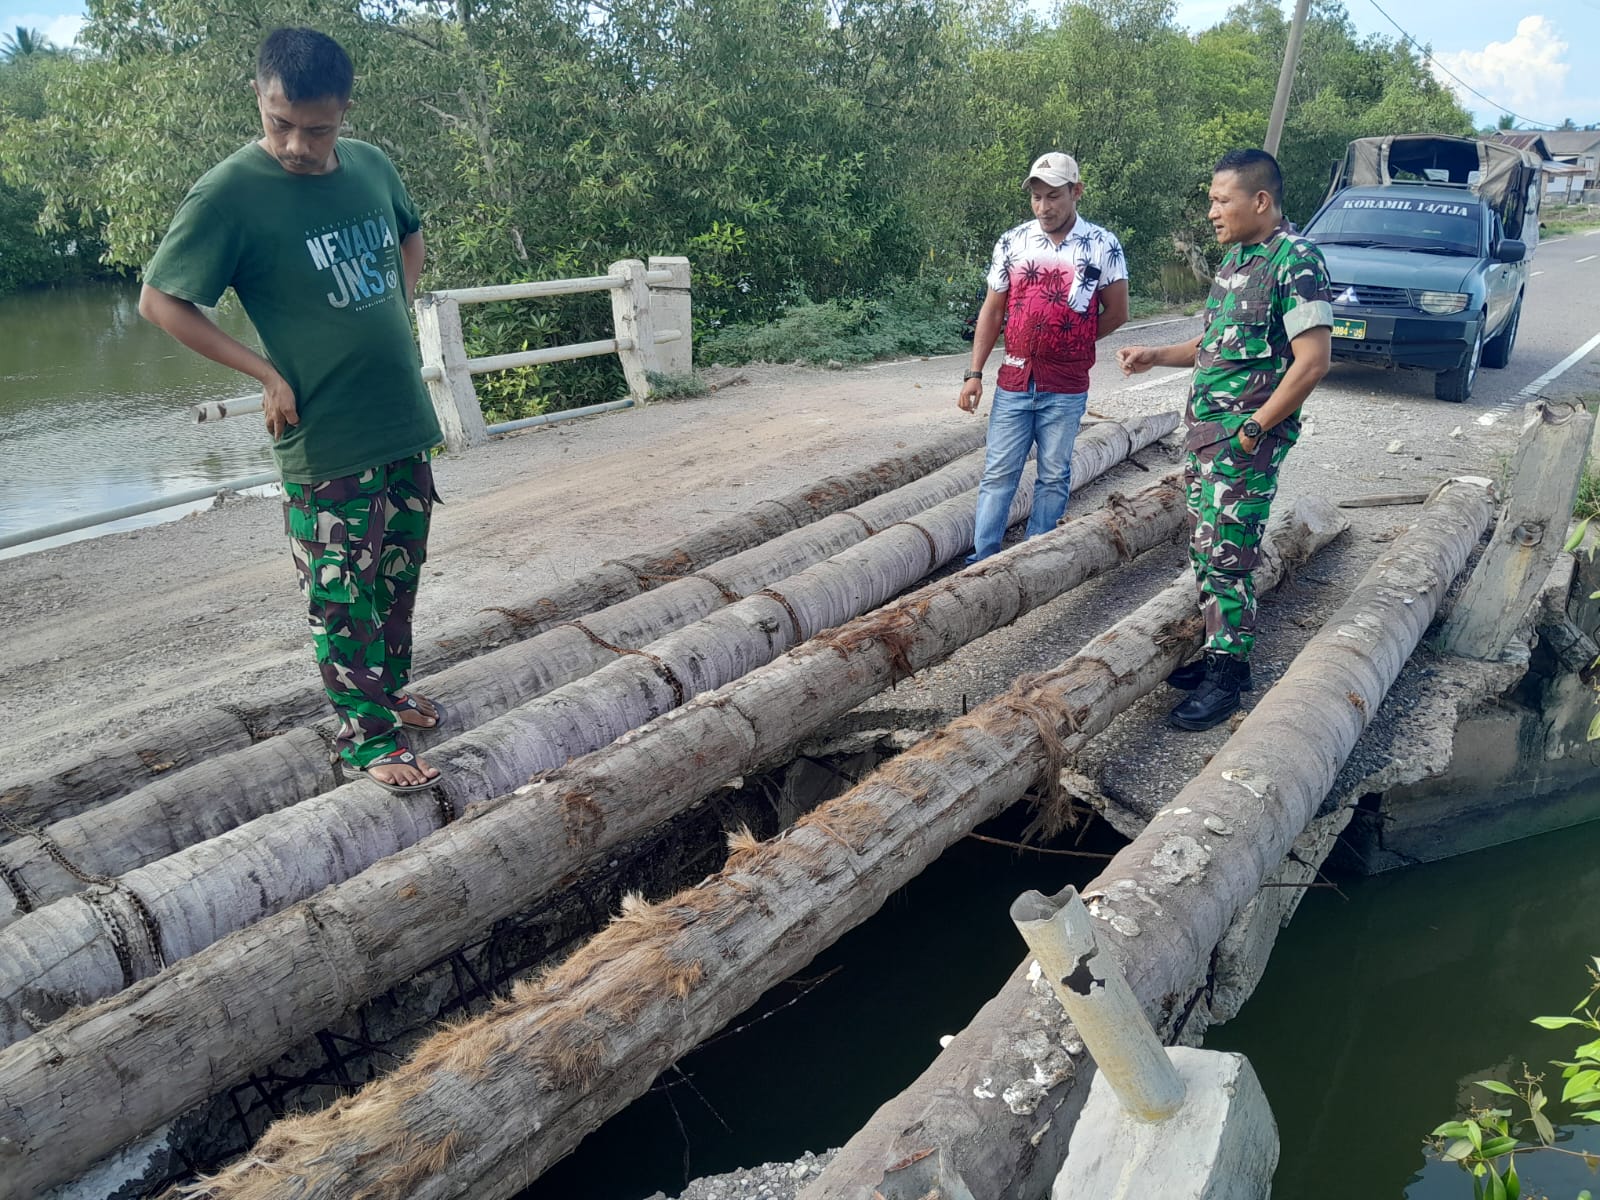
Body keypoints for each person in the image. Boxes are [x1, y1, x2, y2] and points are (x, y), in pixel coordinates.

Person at [139, 27, 446, 792]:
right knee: (341, 589)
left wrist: (394, 309)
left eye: (317, 128)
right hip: (323, 430)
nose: (298, 145)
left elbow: (410, 237)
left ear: (345, 110)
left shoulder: (371, 164)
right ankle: (367, 741)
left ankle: (390, 695)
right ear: (259, 96)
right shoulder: (229, 194)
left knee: (396, 576)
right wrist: (265, 376)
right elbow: (160, 301)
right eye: (281, 123)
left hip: (399, 414)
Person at [1117, 148, 1332, 731]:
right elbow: (1213, 343)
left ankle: (1230, 676)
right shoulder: (1237, 260)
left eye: (1221, 200)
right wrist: (1155, 355)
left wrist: (1254, 429)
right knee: (1205, 549)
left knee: (1228, 555)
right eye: (1211, 200)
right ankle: (1216, 649)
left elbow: (1312, 363)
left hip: (1245, 442)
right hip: (1208, 438)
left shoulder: (1297, 261)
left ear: (1259, 200)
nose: (1212, 212)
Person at [958, 151, 1129, 562]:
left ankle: (1036, 559)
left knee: (1053, 475)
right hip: (1015, 379)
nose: (1043, 207)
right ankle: (983, 560)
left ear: (1077, 192)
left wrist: (1076, 342)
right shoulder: (1014, 241)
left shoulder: (1101, 245)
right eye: (1036, 197)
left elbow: (1118, 312)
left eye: (1053, 196)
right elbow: (993, 310)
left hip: (1066, 385)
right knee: (999, 473)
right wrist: (974, 372)